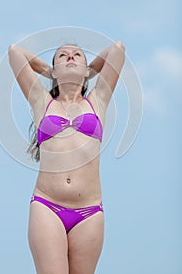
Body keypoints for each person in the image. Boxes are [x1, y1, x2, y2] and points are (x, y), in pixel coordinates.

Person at [8, 40, 125, 274]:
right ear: (54, 70)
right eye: (62, 55)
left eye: (77, 55)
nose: (70, 57)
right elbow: (14, 52)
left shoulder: (97, 101)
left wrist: (89, 71)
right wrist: (49, 72)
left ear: (87, 70)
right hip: (47, 206)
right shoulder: (42, 102)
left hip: (89, 212)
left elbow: (118, 49)